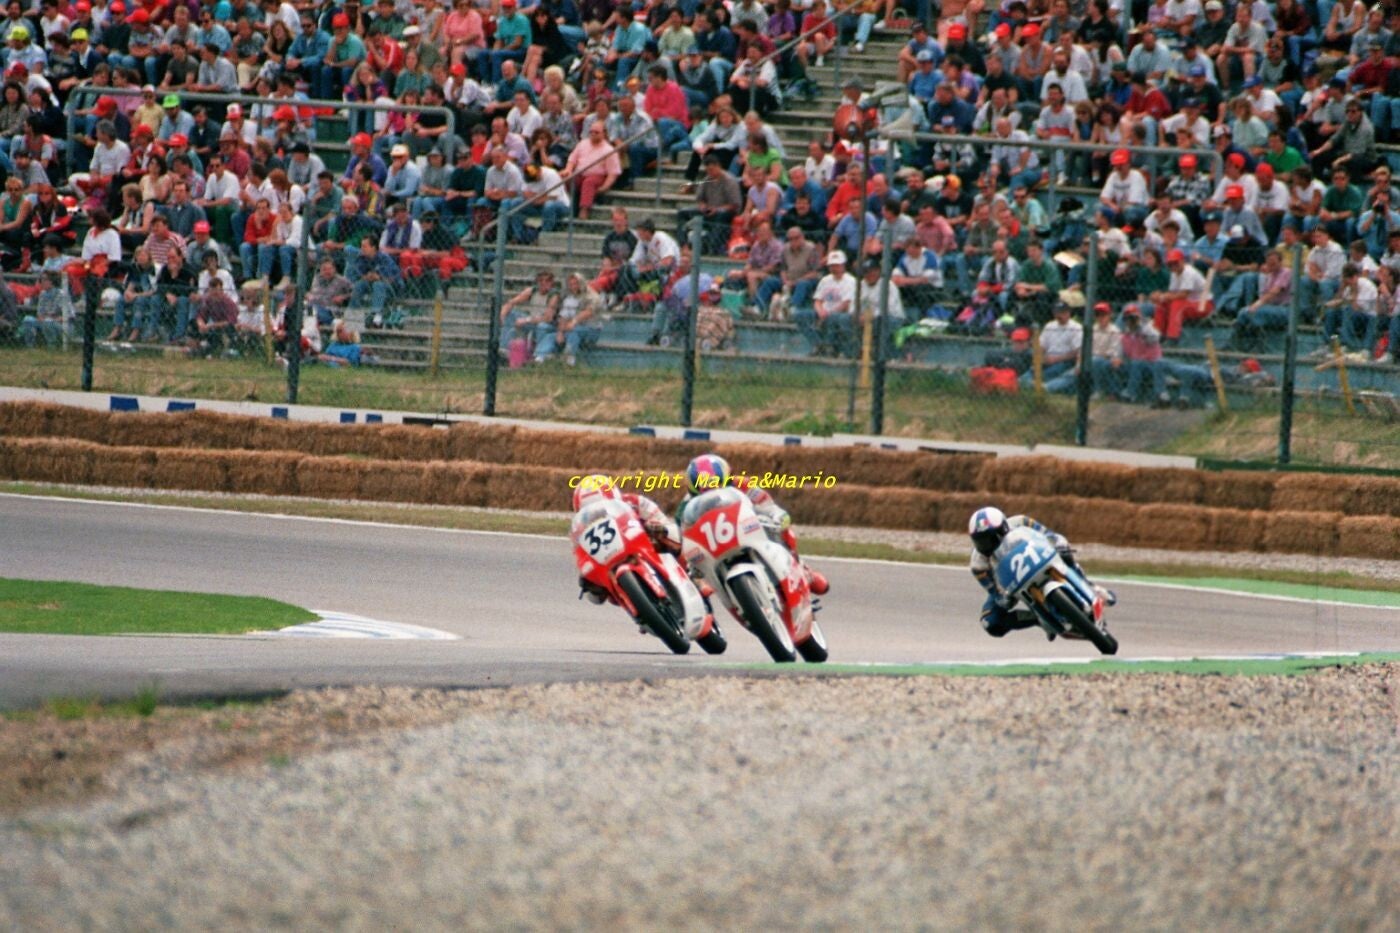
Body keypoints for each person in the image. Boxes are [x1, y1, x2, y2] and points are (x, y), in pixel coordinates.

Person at [677, 453, 828, 596]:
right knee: (696, 582)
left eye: (716, 487)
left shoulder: (742, 485)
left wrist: (777, 515)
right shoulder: (687, 507)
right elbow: (683, 541)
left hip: (748, 528)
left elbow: (767, 504)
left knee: (780, 527)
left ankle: (800, 568)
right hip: (715, 547)